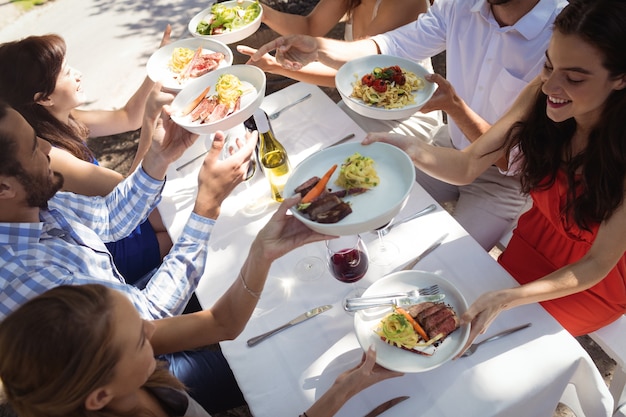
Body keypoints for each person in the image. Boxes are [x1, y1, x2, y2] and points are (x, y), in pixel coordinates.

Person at [360, 0, 626, 351]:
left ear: (620, 79)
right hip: (533, 240)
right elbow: (468, 164)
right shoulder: (542, 92)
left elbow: (596, 265)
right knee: (441, 328)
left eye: (574, 77)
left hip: (588, 283)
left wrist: (509, 297)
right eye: (548, 65)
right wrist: (409, 149)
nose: (550, 86)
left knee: (486, 348)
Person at [0, 100, 256, 413]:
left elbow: (107, 217)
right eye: (32, 146)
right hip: (131, 375)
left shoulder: (28, 205)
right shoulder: (21, 274)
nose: (47, 147)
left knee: (235, 277)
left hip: (132, 332)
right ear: (3, 187)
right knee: (259, 353)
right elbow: (146, 321)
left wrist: (158, 158)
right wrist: (206, 209)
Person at [249, 0, 568, 251]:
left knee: (446, 264)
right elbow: (390, 46)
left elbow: (510, 159)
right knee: (364, 214)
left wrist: (455, 109)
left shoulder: (562, 36)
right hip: (448, 146)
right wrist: (320, 48)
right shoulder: (460, 6)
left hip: (505, 181)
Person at [0, 283, 402, 417]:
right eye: (139, 339)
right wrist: (340, 394)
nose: (150, 330)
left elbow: (222, 322)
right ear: (100, 395)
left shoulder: (137, 385)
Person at [0, 30, 174, 282]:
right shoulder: (51, 153)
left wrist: (157, 68)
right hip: (111, 245)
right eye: (67, 73)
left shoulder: (63, 120)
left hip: (115, 218)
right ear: (44, 98)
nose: (78, 74)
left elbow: (127, 116)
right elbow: (128, 190)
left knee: (174, 212)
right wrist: (150, 125)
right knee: (177, 232)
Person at [238, 0, 443, 142]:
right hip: (361, 105)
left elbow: (356, 75)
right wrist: (263, 13)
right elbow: (310, 27)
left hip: (406, 117)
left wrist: (275, 66)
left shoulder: (403, 3)